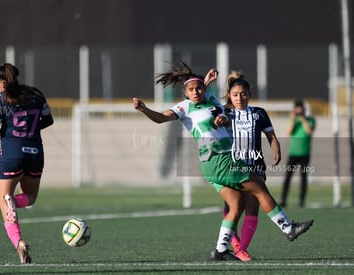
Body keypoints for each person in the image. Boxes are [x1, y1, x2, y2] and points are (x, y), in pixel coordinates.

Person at [133, 62, 313, 261]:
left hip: (212, 164)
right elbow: (160, 118)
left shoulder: (209, 97)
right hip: (220, 159)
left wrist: (219, 111)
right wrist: (144, 109)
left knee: (235, 206)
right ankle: (288, 228)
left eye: (199, 88)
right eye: (191, 89)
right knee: (259, 188)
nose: (196, 92)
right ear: (185, 91)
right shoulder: (184, 107)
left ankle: (220, 250)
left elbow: (216, 109)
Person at [0, 63, 54, 264]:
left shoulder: (0, 98)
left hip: (11, 155)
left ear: (2, 83)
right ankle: (16, 202)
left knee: (3, 200)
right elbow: (48, 121)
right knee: (31, 197)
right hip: (35, 153)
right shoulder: (35, 93)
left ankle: (18, 242)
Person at [211, 70, 281, 261]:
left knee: (252, 206)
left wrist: (276, 149)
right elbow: (213, 125)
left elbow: (271, 136)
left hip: (255, 166)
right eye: (235, 95)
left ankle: (242, 249)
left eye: (243, 94)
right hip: (232, 166)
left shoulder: (259, 113)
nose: (239, 98)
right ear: (229, 96)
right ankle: (232, 243)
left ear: (249, 94)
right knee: (233, 206)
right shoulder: (225, 113)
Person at [280, 99, 315, 208]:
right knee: (288, 177)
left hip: (304, 153)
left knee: (303, 177)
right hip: (293, 153)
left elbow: (309, 132)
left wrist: (303, 119)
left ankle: (301, 201)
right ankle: (283, 200)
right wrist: (293, 120)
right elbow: (289, 132)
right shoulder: (294, 121)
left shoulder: (310, 120)